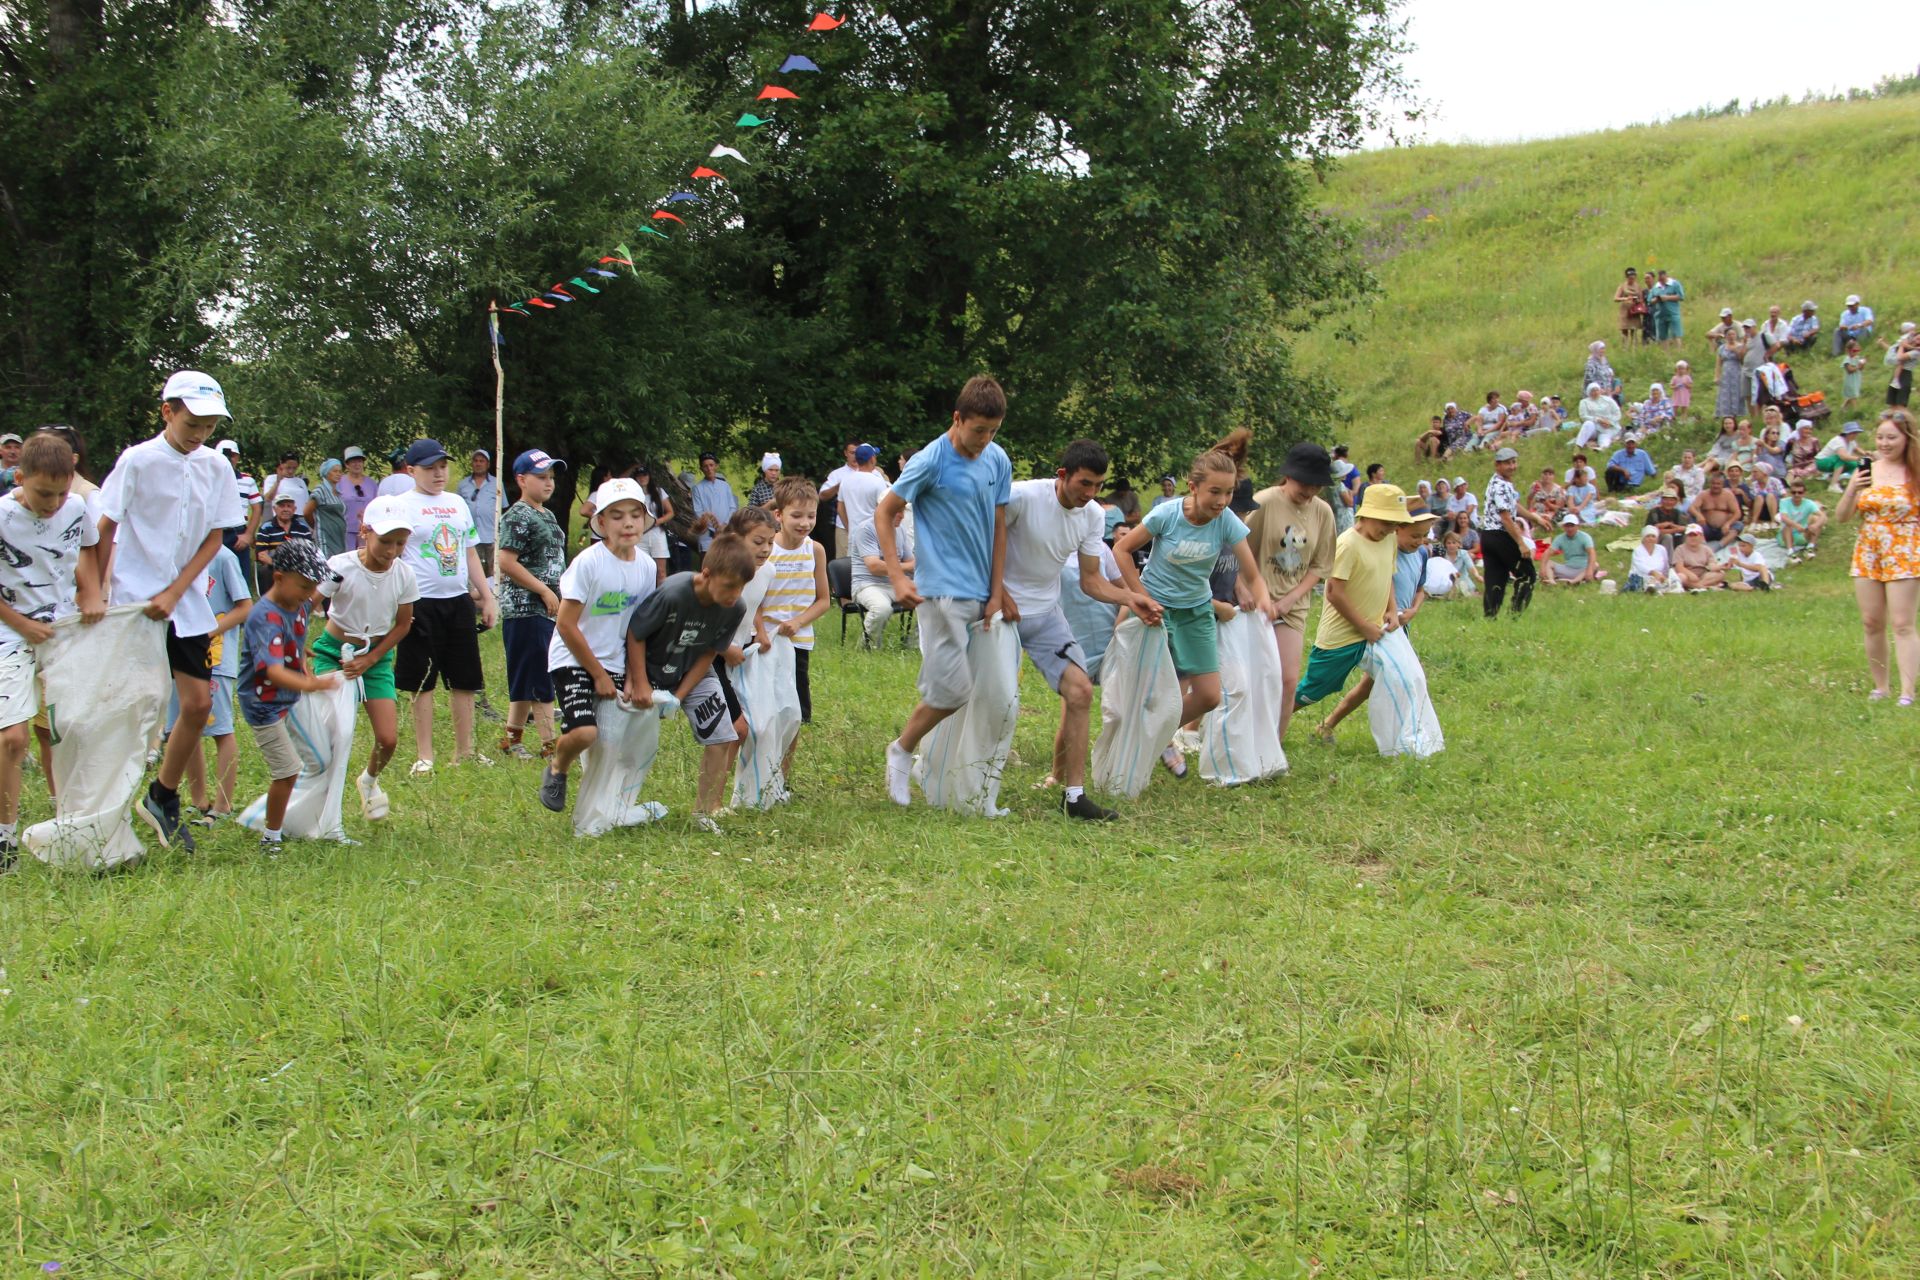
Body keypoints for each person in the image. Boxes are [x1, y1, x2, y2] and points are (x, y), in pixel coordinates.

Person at [99, 371, 248, 853]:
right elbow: (104, 527)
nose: (200, 433)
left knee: (199, 705)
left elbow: (215, 536)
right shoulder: (138, 461)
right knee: (130, 708)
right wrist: (99, 593)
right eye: (192, 422)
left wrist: (178, 589)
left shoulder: (215, 467)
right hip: (132, 599)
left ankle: (162, 795)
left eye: (209, 426)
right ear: (168, 412)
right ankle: (101, 809)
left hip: (183, 602)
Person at [878, 377, 1014, 804]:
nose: (985, 440)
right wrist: (898, 578)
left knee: (993, 694)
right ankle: (901, 751)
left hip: (980, 594)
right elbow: (885, 513)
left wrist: (997, 591)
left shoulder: (997, 459)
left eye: (993, 431)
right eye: (978, 430)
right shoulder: (930, 460)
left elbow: (998, 528)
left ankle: (947, 776)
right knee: (952, 691)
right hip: (939, 592)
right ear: (958, 418)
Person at [1004, 441, 1155, 819]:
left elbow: (1092, 581)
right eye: (1084, 484)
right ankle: (940, 766)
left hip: (1045, 614)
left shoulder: (1091, 516)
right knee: (985, 700)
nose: (1090, 494)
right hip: (1000, 611)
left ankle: (1074, 797)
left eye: (1097, 486)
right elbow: (978, 541)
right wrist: (995, 594)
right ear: (1063, 475)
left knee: (1081, 691)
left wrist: (1129, 598)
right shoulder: (1021, 497)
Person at [1112, 449, 1273, 776]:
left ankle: (1155, 736)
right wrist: (1140, 598)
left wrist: (1263, 598)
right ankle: (1137, 746)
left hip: (1196, 610)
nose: (1222, 501)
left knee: (1209, 695)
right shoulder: (1167, 515)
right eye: (1215, 492)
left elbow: (1253, 574)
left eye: (1228, 492)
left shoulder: (1226, 522)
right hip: (1155, 607)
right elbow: (1122, 550)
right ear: (1193, 487)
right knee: (1142, 690)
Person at [0, 435, 106, 866]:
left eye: (63, 493)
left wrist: (92, 592)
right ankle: (4, 837)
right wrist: (23, 624)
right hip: (10, 634)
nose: (54, 503)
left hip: (62, 633)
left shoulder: (77, 508)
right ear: (20, 477)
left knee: (68, 731)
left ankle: (70, 823)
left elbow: (86, 550)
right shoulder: (3, 516)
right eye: (45, 493)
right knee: (13, 738)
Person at [537, 479, 657, 816]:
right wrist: (598, 675)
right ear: (601, 523)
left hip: (616, 662)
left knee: (611, 741)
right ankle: (558, 766)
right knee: (585, 732)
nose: (628, 523)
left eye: (635, 515)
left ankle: (600, 806)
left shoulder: (646, 567)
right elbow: (565, 623)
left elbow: (638, 628)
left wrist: (636, 677)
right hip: (573, 657)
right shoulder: (589, 563)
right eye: (617, 516)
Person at [624, 534, 755, 833]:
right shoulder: (674, 593)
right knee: (629, 744)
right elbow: (636, 633)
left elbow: (710, 650)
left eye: (741, 587)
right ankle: (616, 804)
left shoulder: (735, 607)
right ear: (706, 574)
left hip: (694, 670)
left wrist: (680, 695)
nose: (735, 594)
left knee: (724, 735)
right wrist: (641, 683)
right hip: (650, 669)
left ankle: (704, 809)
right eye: (729, 586)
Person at [391, 437, 498, 774]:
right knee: (422, 678)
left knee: (465, 676)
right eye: (430, 468)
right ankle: (425, 754)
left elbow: (469, 552)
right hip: (419, 601)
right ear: (411, 470)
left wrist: (487, 595)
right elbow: (392, 553)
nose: (438, 473)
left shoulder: (456, 503)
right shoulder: (401, 505)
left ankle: (464, 751)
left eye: (442, 466)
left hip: (457, 600)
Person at [310, 494, 417, 821]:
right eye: (385, 541)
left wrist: (370, 661)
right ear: (365, 531)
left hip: (376, 659)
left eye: (399, 544)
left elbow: (401, 626)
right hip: (332, 653)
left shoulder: (403, 575)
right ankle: (318, 806)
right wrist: (302, 652)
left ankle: (368, 780)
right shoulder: (340, 567)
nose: (391, 551)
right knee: (331, 738)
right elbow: (310, 602)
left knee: (388, 738)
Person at [237, 538, 343, 851]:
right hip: (264, 704)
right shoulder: (265, 617)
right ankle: (270, 836)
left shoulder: (296, 606)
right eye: (303, 587)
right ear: (279, 578)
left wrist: (301, 654)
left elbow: (292, 639)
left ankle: (298, 816)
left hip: (291, 695)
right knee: (287, 770)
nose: (310, 595)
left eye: (313, 587)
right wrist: (312, 685)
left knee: (322, 758)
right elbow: (271, 671)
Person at [1309, 497, 1437, 741]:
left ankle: (1331, 724)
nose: (1419, 541)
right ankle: (1281, 721)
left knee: (1379, 683)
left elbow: (1416, 587)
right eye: (1414, 535)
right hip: (1361, 626)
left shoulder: (1417, 553)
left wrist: (1407, 610)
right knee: (1319, 686)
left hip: (1392, 627)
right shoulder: (1372, 545)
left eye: (1425, 535)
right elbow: (1336, 590)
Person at [1291, 483, 1413, 730]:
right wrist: (1363, 626)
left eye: (1394, 524)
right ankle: (1268, 721)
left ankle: (1328, 726)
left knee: (1387, 677)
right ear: (1366, 514)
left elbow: (1387, 574)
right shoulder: (1348, 544)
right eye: (1385, 522)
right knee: (1313, 690)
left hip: (1377, 630)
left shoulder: (1389, 539)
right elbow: (1334, 592)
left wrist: (1391, 608)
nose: (1390, 529)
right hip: (1341, 637)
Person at [1245, 443, 1337, 739]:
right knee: (1247, 679)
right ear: (1288, 476)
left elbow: (1321, 566)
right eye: (1304, 482)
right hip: (1251, 603)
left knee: (1287, 680)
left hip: (1292, 606)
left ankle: (1273, 747)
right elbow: (1239, 552)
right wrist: (1256, 595)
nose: (1309, 491)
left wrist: (1290, 600)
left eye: (1316, 485)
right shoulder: (1263, 503)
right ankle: (1214, 733)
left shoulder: (1323, 513)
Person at [1836, 407, 1920, 704]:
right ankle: (1881, 686)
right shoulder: (1867, 470)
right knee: (1872, 621)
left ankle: (1907, 692)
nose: (1885, 444)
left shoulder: (1915, 471)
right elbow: (1843, 516)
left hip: (1904, 549)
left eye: (1891, 438)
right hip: (1868, 549)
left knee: (1902, 623)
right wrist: (1851, 490)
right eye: (1881, 437)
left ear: (1906, 438)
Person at [165, 537, 251, 826]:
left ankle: (223, 805)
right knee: (184, 725)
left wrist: (209, 632)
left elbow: (244, 606)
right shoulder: (175, 552)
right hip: (180, 656)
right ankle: (199, 800)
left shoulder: (223, 557)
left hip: (215, 659)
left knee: (221, 728)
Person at [494, 450, 568, 760]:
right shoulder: (517, 515)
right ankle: (551, 747)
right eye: (541, 477)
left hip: (548, 608)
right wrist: (543, 590)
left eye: (551, 477)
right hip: (525, 608)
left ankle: (511, 740)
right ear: (521, 480)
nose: (548, 483)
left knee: (528, 674)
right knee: (539, 677)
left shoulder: (547, 515)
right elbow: (506, 561)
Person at [760, 478, 829, 787]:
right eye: (797, 515)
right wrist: (761, 631)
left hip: (798, 643)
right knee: (766, 709)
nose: (805, 523)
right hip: (764, 643)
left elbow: (824, 600)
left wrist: (799, 622)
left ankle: (782, 778)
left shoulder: (816, 551)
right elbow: (753, 601)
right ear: (779, 515)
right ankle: (759, 770)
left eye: (811, 516)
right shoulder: (765, 550)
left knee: (793, 712)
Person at [1478, 447, 1544, 618]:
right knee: (1527, 574)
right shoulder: (1500, 486)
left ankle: (1490, 617)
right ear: (1497, 465)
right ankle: (1515, 615)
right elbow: (1506, 517)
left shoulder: (1498, 482)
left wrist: (1534, 518)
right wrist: (1521, 543)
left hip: (1488, 536)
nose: (1512, 466)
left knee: (1495, 579)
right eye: (1507, 463)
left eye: (1514, 462)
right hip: (1501, 535)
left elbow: (1513, 505)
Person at [850, 504, 914, 648]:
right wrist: (907, 567)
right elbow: (874, 567)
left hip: (894, 584)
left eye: (903, 510)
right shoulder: (866, 529)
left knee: (931, 599)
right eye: (898, 510)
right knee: (882, 608)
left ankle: (913, 645)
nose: (902, 515)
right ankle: (866, 648)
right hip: (867, 585)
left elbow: (912, 562)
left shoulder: (900, 530)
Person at [834, 444, 891, 547]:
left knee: (853, 563)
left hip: (853, 537)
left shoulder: (845, 481)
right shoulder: (878, 482)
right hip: (873, 538)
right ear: (872, 459)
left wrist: (849, 528)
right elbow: (884, 510)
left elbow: (840, 509)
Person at [630, 462, 675, 584]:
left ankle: (661, 599)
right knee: (641, 570)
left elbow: (670, 512)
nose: (642, 478)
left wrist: (657, 521)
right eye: (639, 476)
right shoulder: (632, 495)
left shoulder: (659, 492)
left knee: (661, 571)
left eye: (645, 475)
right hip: (640, 535)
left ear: (649, 476)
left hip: (657, 533)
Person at [456, 450, 498, 578]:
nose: (478, 464)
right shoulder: (463, 485)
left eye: (482, 461)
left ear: (488, 464)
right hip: (471, 535)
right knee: (474, 571)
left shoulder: (496, 483)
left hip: (491, 534)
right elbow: (458, 508)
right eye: (475, 461)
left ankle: (493, 596)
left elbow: (502, 507)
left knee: (494, 571)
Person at [689, 452, 738, 553]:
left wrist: (724, 525)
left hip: (726, 530)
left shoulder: (725, 486)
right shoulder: (698, 488)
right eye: (705, 466)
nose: (709, 469)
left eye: (711, 465)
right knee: (708, 561)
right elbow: (698, 511)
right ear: (701, 468)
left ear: (716, 466)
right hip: (708, 533)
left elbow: (732, 507)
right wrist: (714, 528)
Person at [818, 440, 860, 558]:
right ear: (846, 453)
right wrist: (839, 486)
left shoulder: (871, 472)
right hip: (843, 526)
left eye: (858, 453)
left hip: (866, 525)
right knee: (843, 561)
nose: (855, 456)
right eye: (852, 452)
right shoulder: (837, 474)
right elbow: (822, 496)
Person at [252, 491, 312, 574]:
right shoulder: (266, 528)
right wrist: (279, 566)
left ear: (294, 509)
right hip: (274, 569)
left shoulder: (303, 528)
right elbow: (262, 555)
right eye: (282, 506)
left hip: (299, 570)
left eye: (289, 506)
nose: (286, 509)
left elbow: (310, 553)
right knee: (265, 571)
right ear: (275, 509)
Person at [1546, 513, 1606, 586]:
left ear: (1577, 526)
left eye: (1572, 526)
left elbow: (1591, 553)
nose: (1569, 529)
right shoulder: (1560, 538)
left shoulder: (1585, 537)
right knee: (1548, 562)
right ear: (1563, 527)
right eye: (1567, 526)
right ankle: (1551, 581)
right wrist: (1542, 568)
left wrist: (1589, 570)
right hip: (1568, 567)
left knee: (1595, 565)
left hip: (1583, 569)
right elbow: (1548, 552)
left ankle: (1573, 581)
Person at [1778, 478, 1825, 561]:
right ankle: (1790, 552)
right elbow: (1784, 517)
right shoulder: (1784, 502)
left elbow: (1823, 516)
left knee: (1816, 519)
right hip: (1786, 535)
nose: (1797, 495)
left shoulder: (1809, 503)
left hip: (1803, 534)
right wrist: (1796, 526)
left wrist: (1815, 525)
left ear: (1804, 493)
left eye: (1800, 492)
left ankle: (1810, 546)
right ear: (1790, 493)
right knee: (1787, 525)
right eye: (1794, 492)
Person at [1691, 472, 1744, 546]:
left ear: (1722, 484)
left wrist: (1728, 524)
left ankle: (1720, 545)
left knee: (1739, 524)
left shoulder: (1728, 495)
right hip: (1706, 529)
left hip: (1723, 530)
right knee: (1692, 520)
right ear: (1710, 483)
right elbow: (1691, 508)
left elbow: (1737, 513)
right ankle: (1703, 544)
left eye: (1718, 484)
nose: (1715, 486)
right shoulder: (1703, 494)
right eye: (1713, 483)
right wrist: (1698, 515)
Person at [339, 447, 375, 550]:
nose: (357, 464)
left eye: (359, 461)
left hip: (367, 530)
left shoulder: (371, 483)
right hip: (346, 530)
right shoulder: (339, 482)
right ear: (347, 464)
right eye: (353, 462)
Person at [1816, 422, 1870, 489]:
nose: (1856, 435)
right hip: (1822, 462)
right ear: (1848, 433)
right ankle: (1833, 485)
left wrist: (1866, 454)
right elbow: (1843, 456)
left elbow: (1857, 449)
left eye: (1856, 433)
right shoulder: (1838, 441)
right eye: (1854, 433)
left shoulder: (1851, 441)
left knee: (1857, 464)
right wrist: (1859, 458)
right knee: (1840, 459)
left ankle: (1841, 478)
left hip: (1834, 462)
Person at [1671, 525, 1726, 591]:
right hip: (1687, 575)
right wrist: (1691, 575)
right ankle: (1705, 586)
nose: (1692, 538)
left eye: (1695, 535)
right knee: (1681, 577)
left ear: (1701, 536)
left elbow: (1712, 564)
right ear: (1686, 537)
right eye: (1690, 535)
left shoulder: (1707, 549)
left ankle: (1697, 586)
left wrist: (1721, 567)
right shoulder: (1680, 549)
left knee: (1721, 574)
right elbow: (1679, 567)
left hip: (1703, 575)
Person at [312, 458, 348, 557]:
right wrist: (317, 526)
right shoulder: (320, 491)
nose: (338, 474)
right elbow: (307, 512)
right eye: (335, 471)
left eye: (340, 471)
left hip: (339, 538)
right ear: (327, 473)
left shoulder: (338, 493)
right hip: (326, 538)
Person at [1714, 321, 1750, 418]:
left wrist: (1736, 350)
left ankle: (1736, 412)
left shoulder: (1740, 346)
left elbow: (1742, 360)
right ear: (1725, 336)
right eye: (1729, 334)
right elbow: (1718, 363)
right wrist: (1717, 376)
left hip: (1737, 371)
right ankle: (1725, 413)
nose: (1731, 336)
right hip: (1726, 373)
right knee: (1725, 392)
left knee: (1737, 391)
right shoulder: (1722, 348)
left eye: (1733, 334)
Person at [1574, 382, 1622, 450]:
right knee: (1588, 424)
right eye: (1593, 390)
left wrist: (1609, 422)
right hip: (1594, 427)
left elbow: (1617, 413)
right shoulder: (1584, 402)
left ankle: (1601, 448)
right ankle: (1578, 446)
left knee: (1605, 438)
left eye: (1597, 390)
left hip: (1607, 427)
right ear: (1589, 392)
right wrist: (1598, 419)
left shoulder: (1608, 400)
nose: (1595, 392)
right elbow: (1583, 416)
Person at [1883, 323, 1920, 409]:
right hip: (1896, 373)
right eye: (1917, 338)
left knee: (1900, 406)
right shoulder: (1908, 343)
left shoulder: (1917, 352)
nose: (1917, 341)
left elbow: (1899, 357)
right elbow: (1893, 351)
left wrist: (1902, 346)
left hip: (1905, 375)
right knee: (1892, 404)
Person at [1646, 268, 1685, 345]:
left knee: (1676, 334)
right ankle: (1666, 353)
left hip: (1673, 313)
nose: (1661, 281)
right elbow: (1649, 300)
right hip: (1660, 315)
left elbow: (1681, 296)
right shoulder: (1656, 287)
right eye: (1660, 279)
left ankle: (1679, 351)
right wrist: (1657, 299)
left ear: (1666, 276)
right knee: (1662, 336)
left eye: (1663, 279)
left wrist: (1667, 297)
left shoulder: (1675, 284)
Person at [1627, 526, 1670, 594]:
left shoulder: (1661, 549)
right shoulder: (1638, 550)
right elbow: (1640, 566)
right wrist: (1653, 573)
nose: (1650, 538)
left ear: (1657, 539)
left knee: (1672, 575)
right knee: (1649, 579)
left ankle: (1660, 588)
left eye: (1653, 536)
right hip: (1640, 576)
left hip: (1659, 577)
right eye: (1648, 536)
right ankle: (1652, 589)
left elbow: (1666, 565)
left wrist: (1665, 576)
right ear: (1643, 538)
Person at [1644, 486, 1688, 553]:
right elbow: (1655, 530)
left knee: (1688, 535)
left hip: (1673, 538)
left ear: (1676, 502)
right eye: (1666, 499)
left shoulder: (1677, 512)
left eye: (1671, 500)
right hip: (1655, 540)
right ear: (1661, 501)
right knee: (1668, 537)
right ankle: (1668, 562)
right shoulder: (1654, 512)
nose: (1668, 502)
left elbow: (1685, 528)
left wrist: (1671, 525)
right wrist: (1675, 529)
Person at [1613, 267, 1643, 346]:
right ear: (1627, 277)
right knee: (1625, 330)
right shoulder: (1622, 286)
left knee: (1634, 329)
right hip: (1625, 310)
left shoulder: (1638, 286)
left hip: (1634, 310)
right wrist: (1626, 298)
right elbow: (1615, 298)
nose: (1632, 280)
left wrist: (1637, 300)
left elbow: (1641, 298)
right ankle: (1624, 347)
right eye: (1630, 278)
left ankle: (1634, 347)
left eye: (1633, 278)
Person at [1841, 340, 1867, 411]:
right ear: (1848, 350)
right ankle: (1856, 410)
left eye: (1858, 350)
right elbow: (1849, 370)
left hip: (1856, 380)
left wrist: (1862, 364)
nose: (1856, 352)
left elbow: (1861, 369)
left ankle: (1844, 407)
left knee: (1851, 395)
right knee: (1853, 396)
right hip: (1850, 381)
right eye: (1854, 351)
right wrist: (1858, 366)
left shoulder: (1857, 358)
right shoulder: (1847, 360)